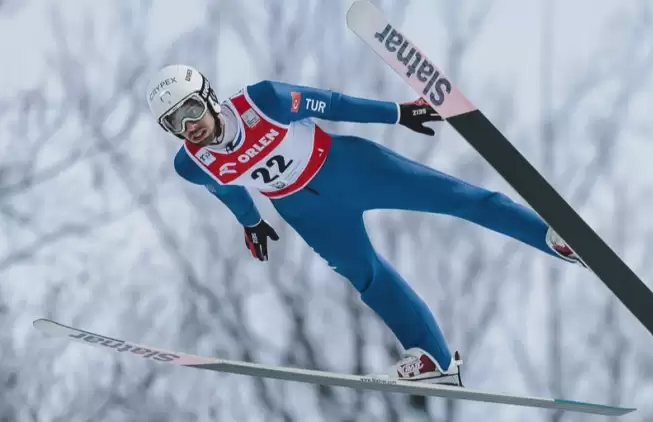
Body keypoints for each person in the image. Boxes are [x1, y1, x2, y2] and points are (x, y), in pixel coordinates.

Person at [145, 64, 584, 386]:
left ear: (208, 95)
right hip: (305, 211)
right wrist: (252, 222)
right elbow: (227, 187)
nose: (189, 127)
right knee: (367, 275)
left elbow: (332, 103)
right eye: (174, 123)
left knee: (457, 199)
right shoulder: (192, 164)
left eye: (189, 110)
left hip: (348, 168)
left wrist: (396, 112)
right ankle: (432, 358)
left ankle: (553, 237)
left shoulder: (264, 100)